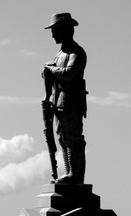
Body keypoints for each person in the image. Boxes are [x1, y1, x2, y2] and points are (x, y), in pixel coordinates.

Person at [43, 12, 88, 184]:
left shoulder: (77, 52)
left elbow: (69, 73)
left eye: (55, 30)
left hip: (72, 100)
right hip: (59, 100)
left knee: (73, 138)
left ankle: (74, 176)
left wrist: (50, 69)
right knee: (62, 137)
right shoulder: (60, 54)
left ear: (66, 30)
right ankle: (69, 173)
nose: (53, 34)